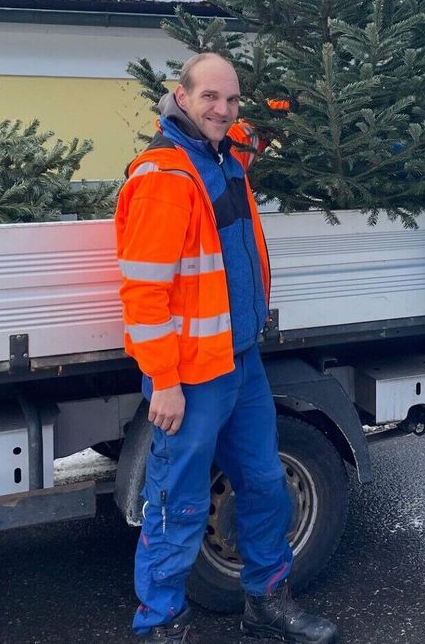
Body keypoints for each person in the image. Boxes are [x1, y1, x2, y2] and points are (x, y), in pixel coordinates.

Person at [115, 52, 337, 644]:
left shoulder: (227, 156)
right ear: (180, 97)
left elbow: (254, 132)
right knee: (178, 503)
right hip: (190, 378)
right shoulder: (165, 177)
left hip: (242, 364)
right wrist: (162, 378)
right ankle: (161, 623)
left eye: (232, 99)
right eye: (210, 97)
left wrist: (291, 99)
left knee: (264, 484)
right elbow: (142, 294)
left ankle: (267, 603)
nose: (222, 109)